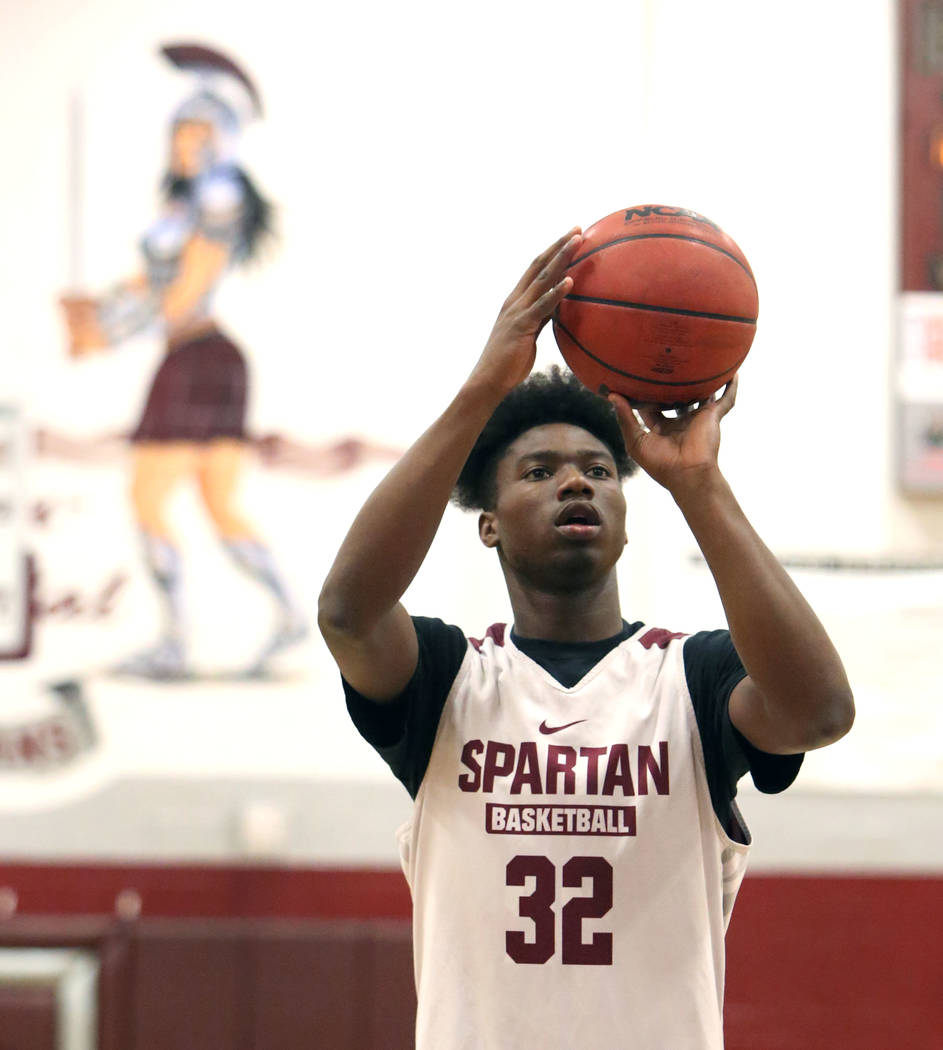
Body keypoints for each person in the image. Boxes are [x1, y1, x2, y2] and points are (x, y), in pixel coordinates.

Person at [318, 229, 855, 1049]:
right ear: (487, 525)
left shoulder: (691, 676)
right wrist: (479, 394)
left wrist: (698, 483)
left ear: (624, 519)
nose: (576, 479)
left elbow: (818, 711)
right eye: (539, 471)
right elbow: (347, 613)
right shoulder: (448, 681)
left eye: (599, 471)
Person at [59, 45, 307, 678]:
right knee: (215, 503)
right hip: (208, 359)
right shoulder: (185, 204)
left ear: (219, 137)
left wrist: (105, 333)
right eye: (177, 128)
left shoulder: (217, 199)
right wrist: (99, 313)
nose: (180, 139)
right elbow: (147, 286)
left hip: (198, 358)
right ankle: (284, 616)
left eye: (194, 129)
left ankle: (177, 639)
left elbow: (179, 295)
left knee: (148, 495)